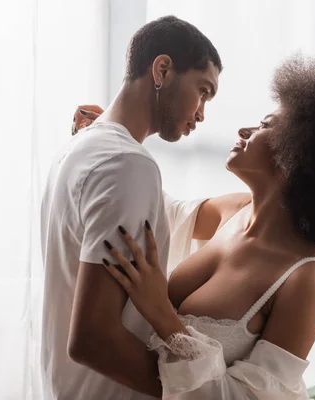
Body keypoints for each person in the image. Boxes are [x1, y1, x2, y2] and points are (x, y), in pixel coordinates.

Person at [74, 55, 315, 399]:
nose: (245, 131)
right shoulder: (233, 210)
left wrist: (163, 316)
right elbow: (157, 207)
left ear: (303, 154)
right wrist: (113, 134)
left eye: (266, 125)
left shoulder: (304, 279)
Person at [40, 15, 228, 400]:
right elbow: (93, 339)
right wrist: (185, 393)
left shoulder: (77, 150)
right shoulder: (127, 164)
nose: (202, 113)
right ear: (162, 69)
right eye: (203, 91)